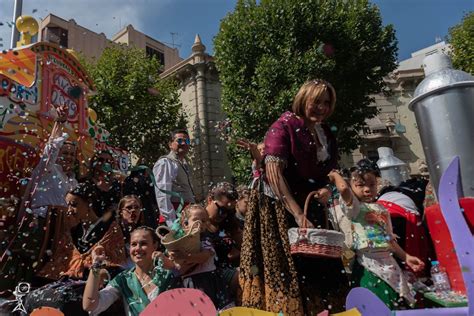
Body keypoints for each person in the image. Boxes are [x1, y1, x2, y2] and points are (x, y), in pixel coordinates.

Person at [240, 79, 346, 315]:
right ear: (303, 100)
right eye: (316, 101)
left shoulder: (326, 132)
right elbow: (274, 174)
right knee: (290, 269)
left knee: (321, 263)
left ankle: (324, 310)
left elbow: (329, 172)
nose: (322, 107)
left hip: (311, 205)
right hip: (280, 207)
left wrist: (327, 190)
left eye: (327, 102)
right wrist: (297, 213)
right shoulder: (283, 126)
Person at [328, 160, 425, 309]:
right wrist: (335, 175)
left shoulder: (382, 209)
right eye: (360, 185)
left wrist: (406, 257)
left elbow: (389, 239)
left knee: (396, 300)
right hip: (367, 263)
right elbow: (343, 190)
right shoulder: (355, 208)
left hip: (389, 263)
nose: (367, 189)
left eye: (372, 185)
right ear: (351, 186)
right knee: (375, 302)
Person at [36, 183, 127, 281]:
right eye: (68, 205)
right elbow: (59, 262)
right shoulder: (73, 231)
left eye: (74, 205)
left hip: (96, 283)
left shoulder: (110, 228)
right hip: (69, 282)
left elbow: (114, 264)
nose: (69, 210)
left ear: (89, 203)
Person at [83, 226, 176, 316]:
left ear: (155, 245)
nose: (138, 249)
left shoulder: (167, 274)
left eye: (143, 243)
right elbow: (90, 305)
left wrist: (173, 267)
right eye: (134, 244)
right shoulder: (124, 279)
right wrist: (96, 265)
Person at [170, 204, 232, 309]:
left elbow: (204, 256)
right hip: (189, 282)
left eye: (203, 221)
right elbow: (175, 265)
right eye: (195, 220)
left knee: (212, 309)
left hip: (208, 281)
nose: (199, 223)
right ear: (185, 224)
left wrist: (186, 256)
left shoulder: (205, 239)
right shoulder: (180, 242)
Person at [153, 130, 195, 227]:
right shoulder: (165, 162)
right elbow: (163, 195)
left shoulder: (184, 164)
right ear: (170, 144)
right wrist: (171, 223)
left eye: (187, 141)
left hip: (186, 216)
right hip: (175, 217)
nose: (184, 143)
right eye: (179, 140)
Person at [117, 195, 145, 269]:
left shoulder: (145, 232)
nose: (133, 210)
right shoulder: (113, 232)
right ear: (121, 212)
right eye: (129, 208)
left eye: (136, 207)